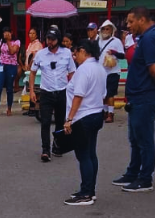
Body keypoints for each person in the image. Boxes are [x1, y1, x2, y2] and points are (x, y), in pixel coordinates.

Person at [112, 6, 155, 193]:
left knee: (144, 139)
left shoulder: (149, 38)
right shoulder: (148, 37)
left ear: (142, 19)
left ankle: (145, 179)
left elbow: (154, 70)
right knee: (135, 138)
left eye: (131, 22)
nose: (128, 26)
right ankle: (133, 173)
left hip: (145, 96)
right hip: (138, 96)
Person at [63, 38, 107, 206]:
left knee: (83, 155)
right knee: (90, 153)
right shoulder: (99, 68)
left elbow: (78, 96)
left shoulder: (84, 69)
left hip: (84, 116)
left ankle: (86, 193)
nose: (75, 56)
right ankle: (90, 190)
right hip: (96, 113)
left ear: (83, 51)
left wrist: (69, 119)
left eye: (76, 53)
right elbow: (103, 92)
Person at [29, 27, 75, 162]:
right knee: (45, 122)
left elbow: (72, 73)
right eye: (48, 39)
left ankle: (57, 145)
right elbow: (32, 72)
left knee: (60, 122)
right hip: (46, 92)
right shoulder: (41, 54)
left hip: (62, 92)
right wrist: (32, 90)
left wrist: (72, 90)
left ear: (58, 40)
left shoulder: (66, 53)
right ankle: (45, 150)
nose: (50, 42)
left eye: (53, 39)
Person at [97, 20, 125, 123]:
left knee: (110, 94)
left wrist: (113, 52)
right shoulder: (98, 41)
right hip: (101, 72)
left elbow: (122, 56)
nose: (105, 30)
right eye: (103, 29)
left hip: (113, 71)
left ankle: (110, 114)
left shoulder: (116, 41)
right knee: (103, 94)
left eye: (107, 29)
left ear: (112, 30)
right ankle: (104, 112)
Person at [0, 27, 21, 116]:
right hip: (1, 65)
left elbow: (12, 51)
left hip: (11, 66)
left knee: (9, 88)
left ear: (11, 33)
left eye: (8, 33)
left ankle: (9, 109)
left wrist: (8, 41)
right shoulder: (1, 41)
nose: (6, 34)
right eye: (4, 33)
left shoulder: (16, 42)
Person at [22, 28, 43, 117]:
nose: (31, 35)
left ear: (36, 35)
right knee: (30, 88)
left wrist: (30, 65)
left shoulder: (38, 45)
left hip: (34, 69)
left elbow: (34, 57)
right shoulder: (30, 44)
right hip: (29, 69)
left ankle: (34, 109)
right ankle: (31, 108)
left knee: (34, 88)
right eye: (30, 33)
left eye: (33, 33)